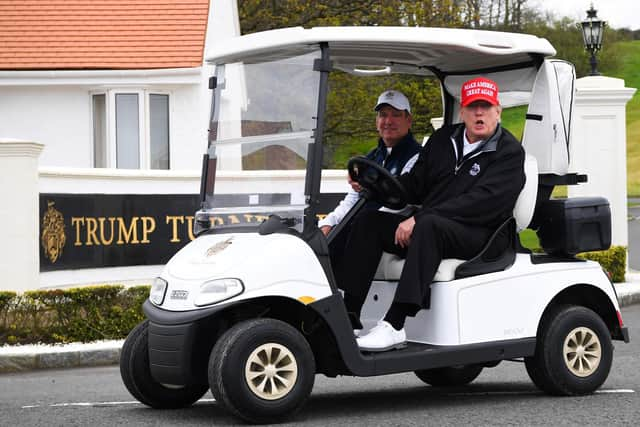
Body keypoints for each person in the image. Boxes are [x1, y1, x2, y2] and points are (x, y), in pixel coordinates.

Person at [337, 77, 526, 352]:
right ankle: (349, 315)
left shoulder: (509, 153)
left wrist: (419, 218)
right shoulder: (442, 140)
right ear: (463, 112)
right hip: (436, 227)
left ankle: (395, 325)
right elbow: (414, 185)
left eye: (486, 107)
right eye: (473, 107)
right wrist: (372, 186)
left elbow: (481, 203)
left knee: (430, 226)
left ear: (498, 111)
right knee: (370, 222)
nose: (479, 114)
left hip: (483, 234)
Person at [318, 90, 421, 265]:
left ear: (408, 120)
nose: (388, 121)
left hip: (395, 227)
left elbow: (401, 203)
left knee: (356, 230)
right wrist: (328, 222)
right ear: (377, 121)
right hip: (366, 223)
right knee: (321, 238)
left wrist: (355, 224)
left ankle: (346, 292)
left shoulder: (418, 157)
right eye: (383, 115)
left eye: (396, 115)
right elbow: (353, 199)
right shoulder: (371, 158)